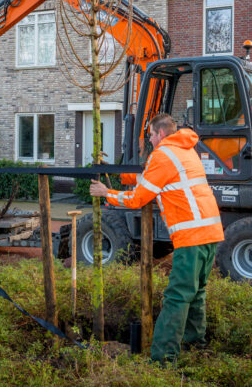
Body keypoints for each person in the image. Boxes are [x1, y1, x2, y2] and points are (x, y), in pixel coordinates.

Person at [90, 113, 224, 364]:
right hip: (211, 232)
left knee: (177, 296)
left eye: (150, 134)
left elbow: (138, 199)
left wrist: (106, 193)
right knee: (196, 292)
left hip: (191, 236)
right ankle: (196, 345)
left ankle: (162, 360)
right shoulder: (186, 150)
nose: (149, 140)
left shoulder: (162, 155)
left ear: (160, 134)